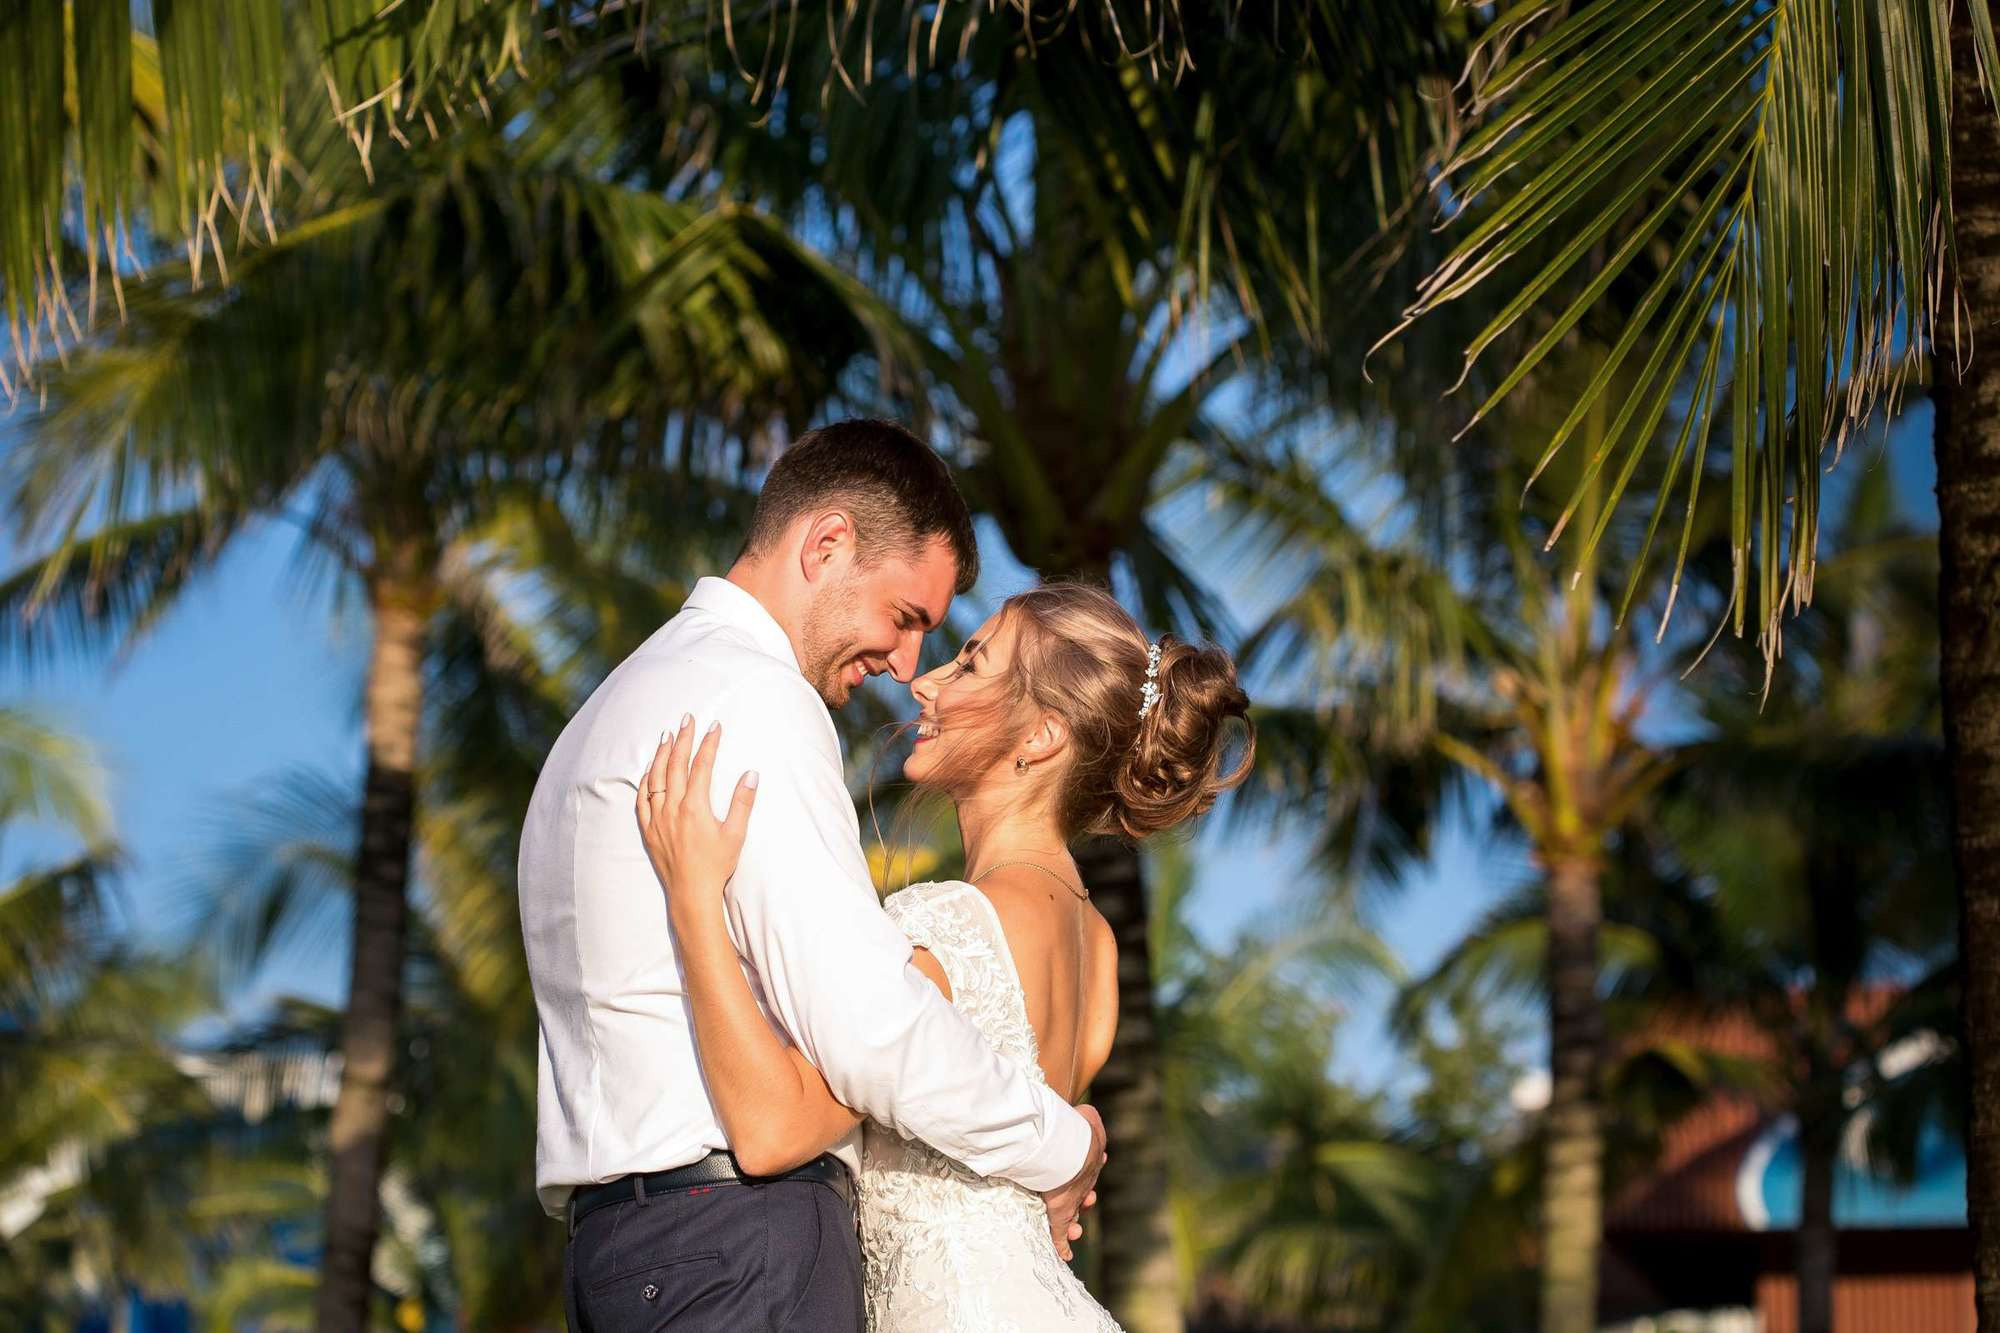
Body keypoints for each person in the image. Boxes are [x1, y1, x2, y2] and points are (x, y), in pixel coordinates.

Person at [519, 420, 1107, 1332]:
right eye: (907, 618)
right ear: (826, 543)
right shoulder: (756, 698)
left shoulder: (613, 705)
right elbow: (870, 1028)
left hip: (621, 1252)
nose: (908, 666)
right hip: (736, 1249)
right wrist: (1065, 1141)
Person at [637, 581, 1254, 1331]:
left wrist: (694, 900)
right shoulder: (1094, 942)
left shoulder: (948, 924)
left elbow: (771, 1129)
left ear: (1041, 738)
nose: (925, 682)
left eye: (969, 663)